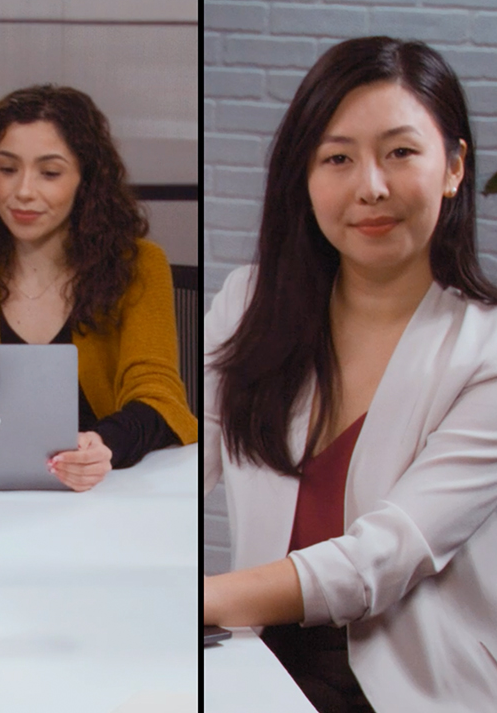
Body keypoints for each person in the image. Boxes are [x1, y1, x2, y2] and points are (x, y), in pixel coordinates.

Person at [204, 36, 497, 712]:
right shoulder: (250, 302)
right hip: (257, 657)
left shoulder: (483, 349)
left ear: (454, 167)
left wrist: (199, 598)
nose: (371, 186)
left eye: (401, 153)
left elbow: (381, 560)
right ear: (304, 177)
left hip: (409, 685)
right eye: (337, 157)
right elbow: (195, 452)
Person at [0, 85, 197, 489]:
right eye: (7, 169)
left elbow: (159, 395)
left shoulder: (139, 265)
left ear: (85, 180)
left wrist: (103, 444)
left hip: (108, 496)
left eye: (50, 172)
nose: (23, 191)